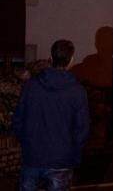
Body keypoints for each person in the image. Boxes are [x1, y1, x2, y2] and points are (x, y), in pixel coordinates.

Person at [13, 39, 90, 191]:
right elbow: (82, 128)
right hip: (61, 159)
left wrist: (26, 143)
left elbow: (18, 119)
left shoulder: (32, 86)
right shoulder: (77, 91)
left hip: (33, 156)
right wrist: (74, 154)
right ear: (71, 59)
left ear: (51, 57)